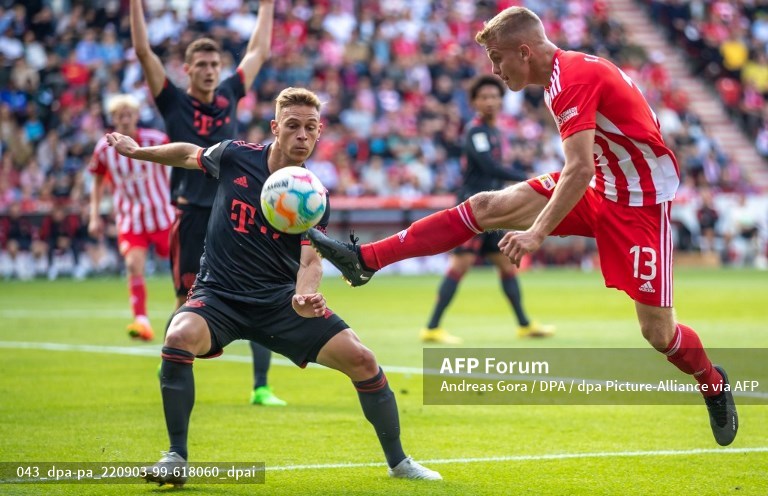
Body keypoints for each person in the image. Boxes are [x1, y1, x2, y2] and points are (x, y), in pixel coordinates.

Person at [308, 7, 737, 447]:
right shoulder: (560, 78)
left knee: (658, 333)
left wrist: (537, 232)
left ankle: (712, 381)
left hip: (640, 204)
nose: (495, 70)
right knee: (485, 206)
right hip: (603, 186)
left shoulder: (571, 80)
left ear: (525, 52)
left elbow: (579, 168)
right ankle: (366, 260)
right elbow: (589, 165)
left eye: (497, 58)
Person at [106, 87, 441, 485]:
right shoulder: (234, 155)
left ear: (319, 132)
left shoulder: (314, 194)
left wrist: (304, 295)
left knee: (363, 360)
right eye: (293, 126)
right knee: (178, 336)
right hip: (219, 296)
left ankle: (400, 463)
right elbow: (186, 154)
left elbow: (311, 259)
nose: (302, 135)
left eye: (310, 128)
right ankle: (176, 456)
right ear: (275, 128)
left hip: (279, 303)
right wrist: (136, 151)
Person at [130, 0, 284, 405]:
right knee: (186, 300)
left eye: (215, 64)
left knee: (259, 291)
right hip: (192, 215)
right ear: (187, 69)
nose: (210, 70)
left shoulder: (230, 93)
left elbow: (258, 51)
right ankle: (172, 363)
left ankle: (261, 387)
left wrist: (267, 6)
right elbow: (144, 52)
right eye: (201, 64)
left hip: (234, 211)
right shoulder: (173, 101)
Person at [421, 75, 553, 344]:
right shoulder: (476, 131)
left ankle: (524, 325)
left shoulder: (495, 132)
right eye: (484, 97)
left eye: (494, 96)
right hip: (474, 209)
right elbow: (489, 167)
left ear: (501, 101)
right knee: (460, 265)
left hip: (493, 209)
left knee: (506, 265)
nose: (490, 101)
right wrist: (526, 178)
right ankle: (432, 328)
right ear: (474, 102)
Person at [88, 95, 174, 340]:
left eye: (129, 114)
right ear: (113, 119)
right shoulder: (103, 148)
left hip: (163, 215)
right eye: (120, 115)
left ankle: (199, 309)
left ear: (137, 116)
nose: (125, 119)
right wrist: (94, 215)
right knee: (133, 265)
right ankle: (141, 321)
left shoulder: (155, 140)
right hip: (130, 219)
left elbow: (178, 163)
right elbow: (97, 182)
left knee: (184, 265)